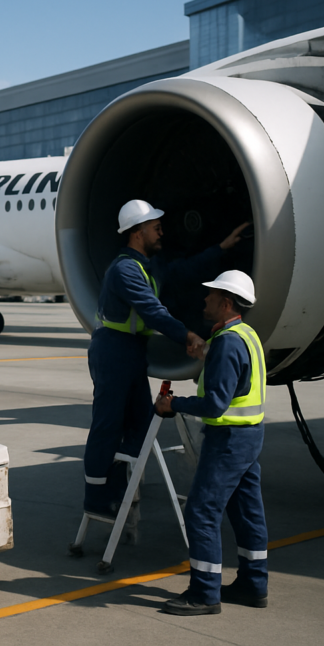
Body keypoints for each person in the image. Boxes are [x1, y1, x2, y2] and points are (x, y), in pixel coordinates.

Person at [84, 199, 248, 515]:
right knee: (108, 424)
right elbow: (153, 311)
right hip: (112, 349)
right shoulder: (124, 269)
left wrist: (221, 248)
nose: (162, 232)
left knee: (141, 425)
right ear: (136, 232)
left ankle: (120, 486)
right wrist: (189, 337)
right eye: (155, 227)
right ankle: (97, 498)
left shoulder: (150, 265)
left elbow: (182, 271)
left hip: (132, 351)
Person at [156, 270, 268, 616]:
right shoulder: (245, 335)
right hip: (250, 437)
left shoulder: (228, 343)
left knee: (201, 512)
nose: (204, 300)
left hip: (228, 440)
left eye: (211, 295)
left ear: (226, 302)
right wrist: (209, 355)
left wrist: (173, 404)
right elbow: (237, 381)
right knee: (248, 514)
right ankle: (253, 584)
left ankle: (204, 593)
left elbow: (215, 404)